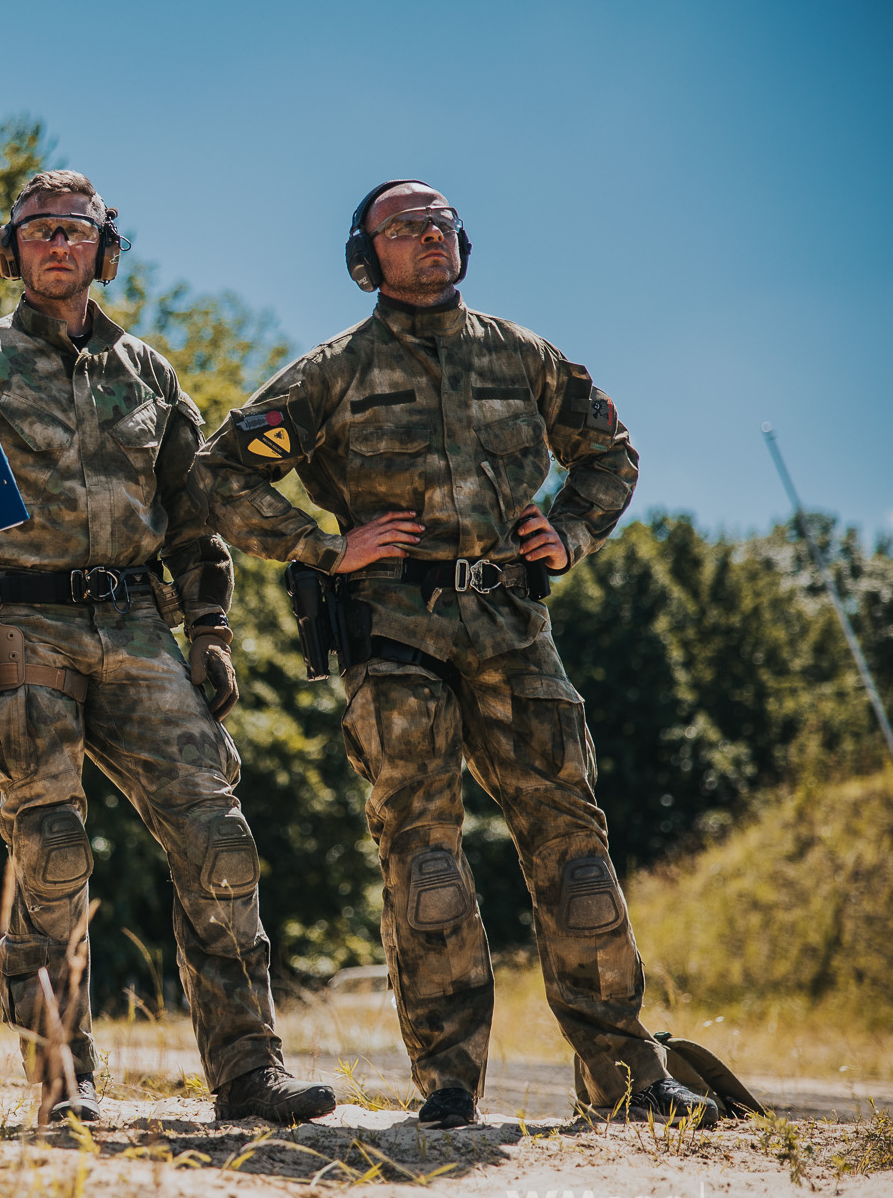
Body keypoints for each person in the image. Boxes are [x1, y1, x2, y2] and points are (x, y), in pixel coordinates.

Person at [196, 179, 719, 1128]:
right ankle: (448, 1081)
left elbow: (611, 452)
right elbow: (220, 472)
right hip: (395, 635)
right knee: (424, 855)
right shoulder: (332, 372)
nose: (430, 236)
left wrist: (571, 530)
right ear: (369, 257)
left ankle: (627, 1075)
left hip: (516, 631)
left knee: (577, 849)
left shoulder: (523, 356)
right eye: (406, 227)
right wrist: (324, 546)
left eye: (441, 222)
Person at [0, 170, 336, 1125]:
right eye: (38, 232)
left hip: (138, 625)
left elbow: (195, 518)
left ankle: (248, 1071)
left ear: (104, 249)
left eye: (75, 230)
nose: (56, 244)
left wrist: (213, 632)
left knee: (219, 836)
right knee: (54, 845)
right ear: (12, 252)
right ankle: (65, 1081)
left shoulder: (148, 373)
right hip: (17, 625)